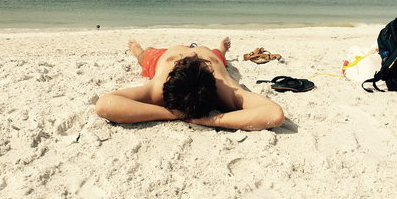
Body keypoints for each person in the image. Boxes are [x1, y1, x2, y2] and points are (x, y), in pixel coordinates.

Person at [95, 37, 284, 131]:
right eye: (200, 63)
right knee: (215, 55)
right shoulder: (226, 88)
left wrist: (176, 115)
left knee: (147, 58)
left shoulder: (158, 87)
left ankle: (220, 51)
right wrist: (186, 116)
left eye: (185, 61)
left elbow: (105, 105)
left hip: (164, 57)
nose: (192, 54)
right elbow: (274, 114)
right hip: (212, 56)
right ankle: (219, 52)